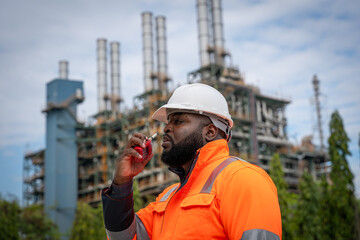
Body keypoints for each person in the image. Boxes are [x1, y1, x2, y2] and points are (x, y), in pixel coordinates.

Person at [102, 83, 282, 240]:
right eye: (168, 121)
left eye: (179, 121)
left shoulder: (242, 179)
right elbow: (122, 237)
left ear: (210, 132)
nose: (166, 128)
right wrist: (122, 184)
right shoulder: (168, 197)